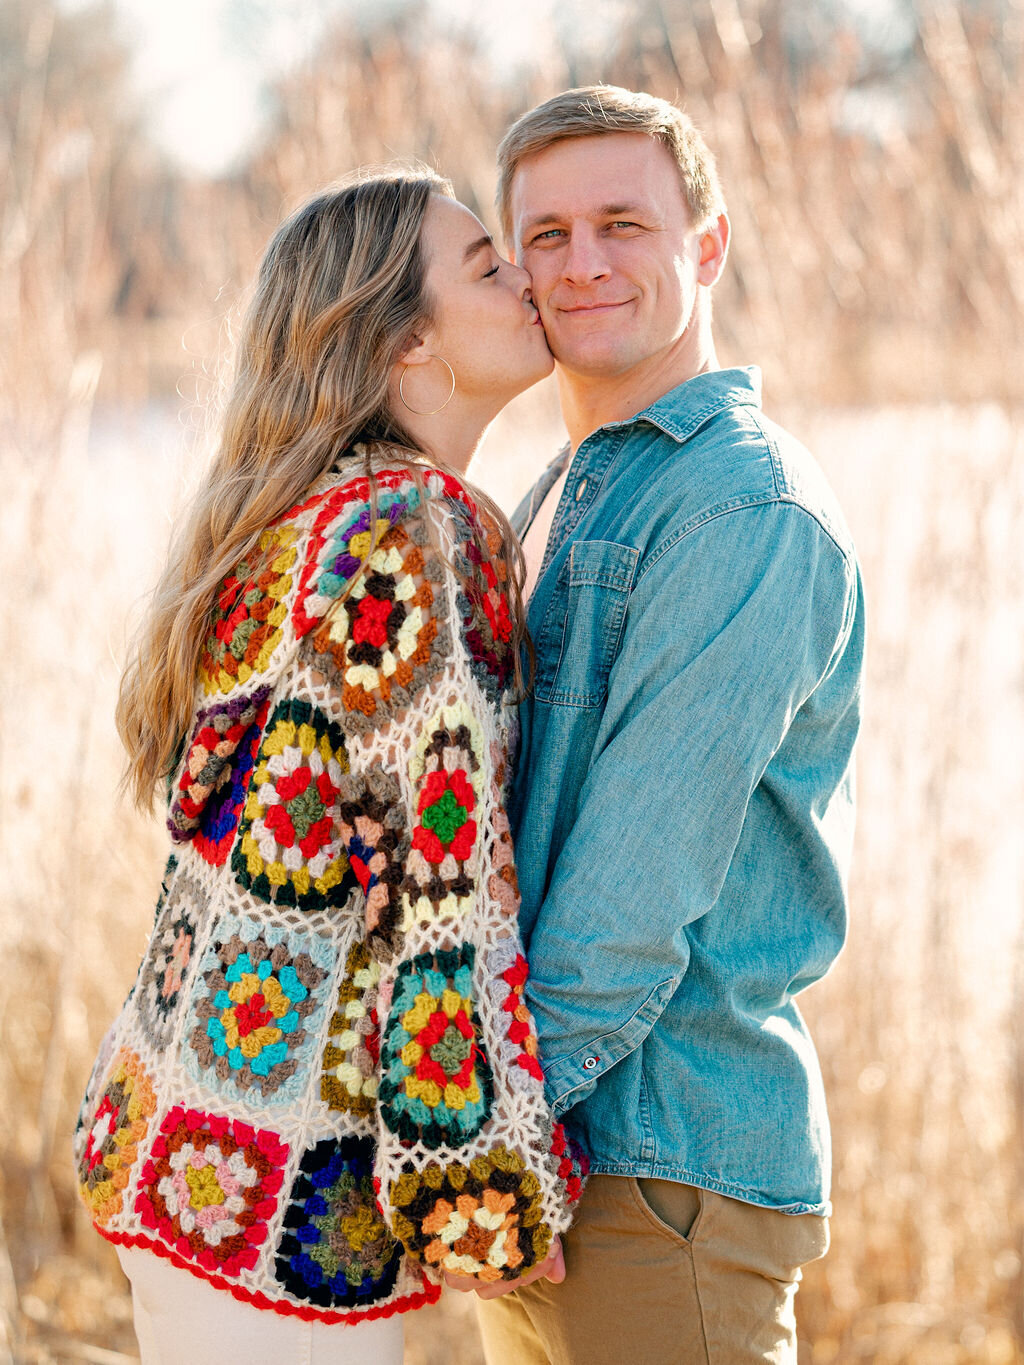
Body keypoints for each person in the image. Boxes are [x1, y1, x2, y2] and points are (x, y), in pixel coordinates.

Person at [72, 169, 587, 1365]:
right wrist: (483, 1191)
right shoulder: (419, 531)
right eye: (485, 265)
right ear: (407, 337)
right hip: (275, 1198)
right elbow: (443, 895)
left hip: (173, 1137)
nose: (525, 276)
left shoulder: (303, 518)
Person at [470, 86, 866, 1365]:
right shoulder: (574, 488)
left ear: (706, 246)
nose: (581, 264)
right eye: (544, 236)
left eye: (622, 223)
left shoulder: (741, 514)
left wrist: (491, 1150)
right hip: (565, 1163)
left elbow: (628, 896)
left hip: (656, 1176)